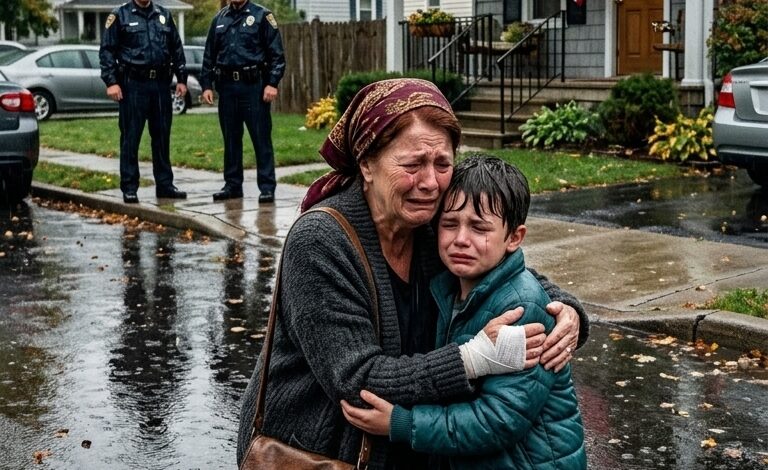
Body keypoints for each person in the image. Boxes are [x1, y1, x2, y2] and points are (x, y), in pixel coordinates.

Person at [236, 78, 589, 469]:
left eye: (442, 164)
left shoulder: (429, 223)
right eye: (413, 164)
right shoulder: (320, 241)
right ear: (366, 164)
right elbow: (358, 382)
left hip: (402, 444)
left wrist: (567, 311)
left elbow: (502, 267)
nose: (430, 182)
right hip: (318, 450)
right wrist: (472, 359)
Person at [341, 154, 587, 469]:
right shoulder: (448, 284)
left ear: (514, 237)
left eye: (479, 228)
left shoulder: (519, 312)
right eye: (449, 224)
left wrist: (401, 423)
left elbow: (498, 420)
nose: (461, 240)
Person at [99, 0, 188, 204]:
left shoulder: (164, 14)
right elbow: (107, 51)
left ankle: (165, 185)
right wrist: (111, 82)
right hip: (133, 85)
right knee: (131, 138)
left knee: (162, 137)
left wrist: (182, 78)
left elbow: (176, 47)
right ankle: (130, 187)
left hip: (160, 85)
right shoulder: (120, 15)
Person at [199, 0, 286, 203]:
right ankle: (232, 185)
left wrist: (272, 83)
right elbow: (209, 55)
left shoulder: (262, 16)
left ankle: (266, 187)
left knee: (260, 138)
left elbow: (277, 55)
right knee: (231, 139)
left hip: (253, 87)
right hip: (227, 87)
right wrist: (206, 85)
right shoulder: (219, 19)